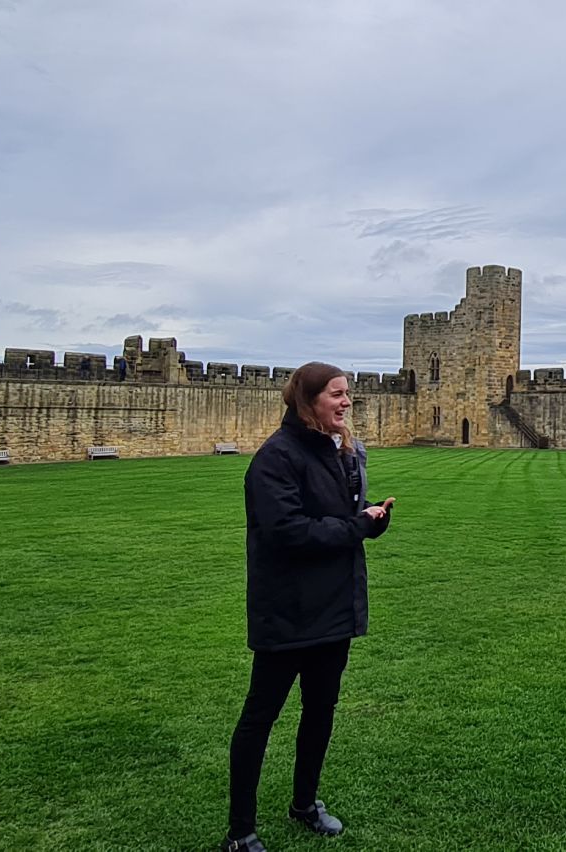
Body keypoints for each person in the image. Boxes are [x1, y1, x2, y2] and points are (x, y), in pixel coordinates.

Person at [225, 362, 394, 852]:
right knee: (260, 718)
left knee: (321, 709)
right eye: (336, 395)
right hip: (288, 609)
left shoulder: (339, 452)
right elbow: (288, 533)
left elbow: (341, 521)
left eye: (348, 395)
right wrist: (355, 527)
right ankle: (240, 832)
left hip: (333, 606)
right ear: (308, 400)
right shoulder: (276, 458)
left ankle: (304, 803)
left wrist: (370, 522)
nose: (346, 403)